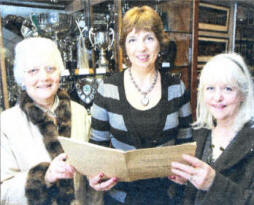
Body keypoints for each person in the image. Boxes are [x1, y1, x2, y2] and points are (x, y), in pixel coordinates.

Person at [88, 5, 192, 205]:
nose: (141, 48)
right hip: (120, 198)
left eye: (149, 38)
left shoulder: (176, 88)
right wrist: (96, 177)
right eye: (132, 39)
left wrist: (185, 174)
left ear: (160, 44)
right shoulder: (107, 88)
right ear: (125, 46)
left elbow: (186, 145)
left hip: (168, 198)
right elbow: (97, 150)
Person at [1, 37, 102, 205]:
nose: (44, 77)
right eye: (33, 71)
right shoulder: (5, 124)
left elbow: (90, 182)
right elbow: (3, 193)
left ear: (59, 72)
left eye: (50, 68)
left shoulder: (80, 113)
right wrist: (44, 177)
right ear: (21, 79)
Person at [170, 52, 254, 205]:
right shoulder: (198, 133)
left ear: (243, 94)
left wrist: (214, 184)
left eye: (227, 89)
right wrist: (185, 182)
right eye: (210, 89)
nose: (217, 97)